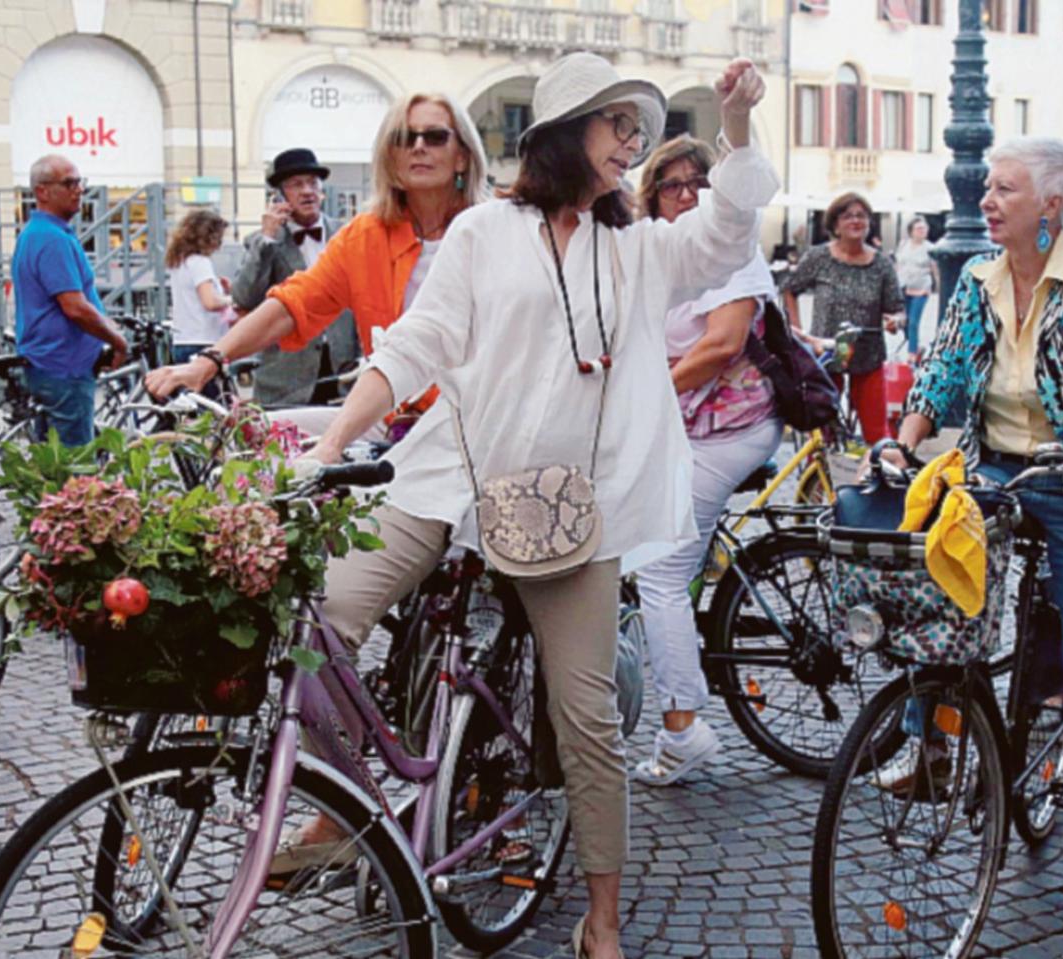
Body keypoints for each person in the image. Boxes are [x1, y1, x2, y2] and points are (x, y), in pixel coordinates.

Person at [281, 54, 773, 959]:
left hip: (566, 508)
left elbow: (729, 232)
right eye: (616, 126)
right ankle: (351, 806)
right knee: (320, 625)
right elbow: (420, 343)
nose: (632, 144)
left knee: (584, 713)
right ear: (562, 133)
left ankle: (603, 920)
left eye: (638, 128)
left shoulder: (638, 245)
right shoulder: (483, 233)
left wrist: (737, 125)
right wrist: (331, 441)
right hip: (447, 475)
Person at [881, 136, 1063, 922]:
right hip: (995, 468)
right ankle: (926, 739)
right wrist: (902, 438)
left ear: (1051, 206)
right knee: (939, 584)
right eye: (987, 187)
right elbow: (944, 371)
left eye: (1004, 189)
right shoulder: (977, 279)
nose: (987, 200)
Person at [146, 95, 489, 439]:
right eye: (403, 137)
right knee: (247, 435)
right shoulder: (365, 235)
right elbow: (293, 302)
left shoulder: (494, 228)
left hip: (477, 419)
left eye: (435, 136)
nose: (418, 146)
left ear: (462, 156)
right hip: (391, 416)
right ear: (390, 156)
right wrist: (208, 362)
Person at [627, 135, 783, 786]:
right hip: (678, 424)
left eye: (702, 183)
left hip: (727, 429)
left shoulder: (733, 251)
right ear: (652, 193)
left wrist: (640, 394)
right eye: (674, 184)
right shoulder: (649, 252)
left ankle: (681, 728)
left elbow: (721, 345)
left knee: (659, 572)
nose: (689, 195)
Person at [11, 154, 129, 448]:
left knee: (54, 464)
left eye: (80, 182)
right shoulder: (52, 239)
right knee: (77, 472)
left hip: (50, 363)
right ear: (42, 191)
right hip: (64, 366)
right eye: (69, 183)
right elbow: (74, 307)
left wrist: (105, 321)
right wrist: (117, 340)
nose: (79, 190)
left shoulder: (38, 234)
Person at [229, 148, 359, 406]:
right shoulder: (263, 242)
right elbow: (244, 297)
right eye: (296, 184)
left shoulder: (349, 234)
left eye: (313, 182)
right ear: (280, 195)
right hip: (285, 379)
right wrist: (267, 238)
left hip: (345, 374)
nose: (307, 191)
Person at [783, 193, 905, 443]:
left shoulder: (881, 263)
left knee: (875, 431)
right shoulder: (819, 257)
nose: (855, 221)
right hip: (827, 353)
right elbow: (789, 289)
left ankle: (873, 476)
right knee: (822, 430)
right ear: (835, 224)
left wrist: (895, 320)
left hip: (868, 354)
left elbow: (897, 308)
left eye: (861, 216)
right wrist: (797, 329)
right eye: (847, 215)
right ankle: (818, 479)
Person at [165, 208, 234, 370]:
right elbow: (209, 302)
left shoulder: (179, 262)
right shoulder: (200, 262)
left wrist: (221, 290)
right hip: (205, 340)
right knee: (214, 394)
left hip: (183, 339)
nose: (219, 245)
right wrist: (233, 299)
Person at [895, 216, 937, 363]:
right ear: (911, 231)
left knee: (913, 321)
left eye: (924, 229)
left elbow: (935, 269)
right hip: (903, 286)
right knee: (902, 321)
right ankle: (915, 345)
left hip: (921, 288)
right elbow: (898, 265)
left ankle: (912, 353)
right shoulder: (903, 245)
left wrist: (938, 287)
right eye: (919, 229)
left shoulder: (930, 248)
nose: (922, 231)